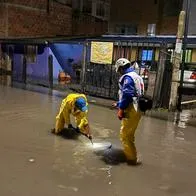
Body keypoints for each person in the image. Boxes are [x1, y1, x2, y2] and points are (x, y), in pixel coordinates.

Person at [113, 58, 144, 165]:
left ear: (121, 68)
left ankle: (131, 160)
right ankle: (132, 155)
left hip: (131, 109)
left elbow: (127, 95)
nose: (119, 72)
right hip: (138, 109)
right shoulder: (137, 76)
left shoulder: (127, 77)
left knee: (125, 135)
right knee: (130, 135)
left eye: (119, 70)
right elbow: (135, 94)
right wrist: (118, 103)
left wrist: (121, 110)